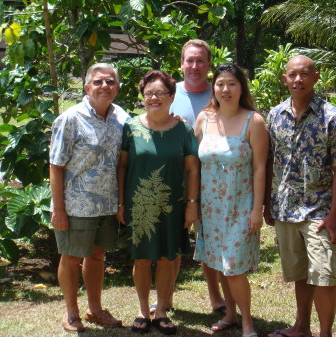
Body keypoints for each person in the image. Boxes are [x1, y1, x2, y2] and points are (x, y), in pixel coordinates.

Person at [264, 55, 336, 337]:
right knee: (299, 273)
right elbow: (270, 161)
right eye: (292, 74)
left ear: (316, 77)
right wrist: (268, 203)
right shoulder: (275, 115)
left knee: (324, 275)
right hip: (286, 208)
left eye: (304, 74)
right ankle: (301, 327)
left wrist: (334, 216)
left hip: (319, 211)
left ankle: (325, 333)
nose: (298, 80)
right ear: (285, 79)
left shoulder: (333, 119)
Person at [116, 70, 200, 335]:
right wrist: (120, 203)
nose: (155, 98)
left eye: (161, 93)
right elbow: (122, 167)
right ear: (142, 97)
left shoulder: (183, 130)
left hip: (172, 206)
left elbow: (192, 170)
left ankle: (161, 311)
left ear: (172, 96)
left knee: (166, 258)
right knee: (141, 259)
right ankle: (143, 310)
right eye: (149, 93)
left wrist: (191, 204)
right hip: (138, 206)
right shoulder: (130, 127)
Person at [49, 63, 129, 332]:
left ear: (117, 88)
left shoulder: (122, 118)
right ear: (86, 87)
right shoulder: (70, 118)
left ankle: (94, 309)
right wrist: (58, 208)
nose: (104, 86)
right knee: (71, 256)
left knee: (97, 255)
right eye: (98, 81)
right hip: (76, 204)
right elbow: (56, 164)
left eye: (110, 81)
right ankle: (71, 313)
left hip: (107, 204)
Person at [194, 63, 269, 337]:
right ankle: (230, 314)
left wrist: (257, 210)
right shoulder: (204, 119)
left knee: (234, 267)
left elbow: (261, 168)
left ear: (242, 88)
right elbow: (192, 161)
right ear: (213, 87)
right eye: (220, 83)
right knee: (220, 263)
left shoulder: (254, 121)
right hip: (210, 207)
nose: (225, 89)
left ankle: (247, 321)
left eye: (232, 84)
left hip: (240, 206)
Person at [158, 39, 227, 315]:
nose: (194, 66)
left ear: (209, 65)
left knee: (208, 241)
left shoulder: (220, 93)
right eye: (190, 60)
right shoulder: (168, 94)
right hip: (175, 180)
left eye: (200, 61)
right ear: (181, 64)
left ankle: (216, 298)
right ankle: (165, 300)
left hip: (213, 181)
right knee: (172, 242)